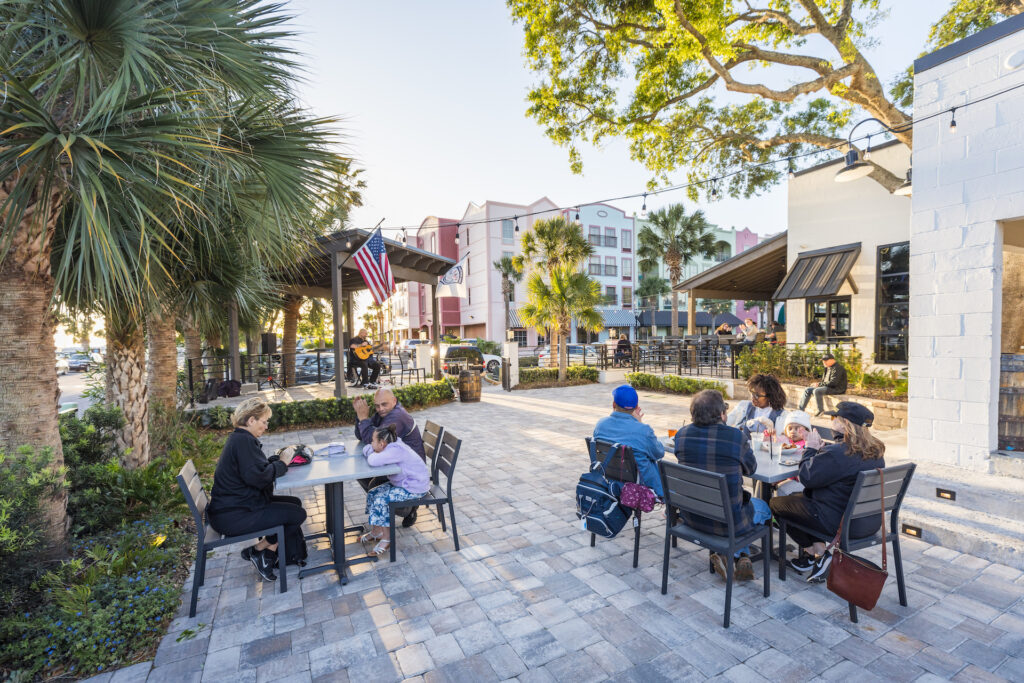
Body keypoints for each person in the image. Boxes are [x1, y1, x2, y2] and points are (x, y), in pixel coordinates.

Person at [770, 402, 885, 583]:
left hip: (839, 523)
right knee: (798, 501)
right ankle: (819, 556)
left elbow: (807, 477)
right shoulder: (876, 451)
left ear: (844, 424)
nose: (831, 422)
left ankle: (815, 553)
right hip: (867, 522)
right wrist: (822, 452)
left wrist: (810, 449)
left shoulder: (838, 453)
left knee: (777, 504)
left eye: (834, 419)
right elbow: (837, 472)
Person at [673, 390, 770, 581]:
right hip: (728, 523)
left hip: (692, 516)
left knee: (732, 505)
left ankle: (738, 556)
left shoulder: (681, 435)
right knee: (763, 507)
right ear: (721, 414)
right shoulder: (735, 437)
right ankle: (737, 554)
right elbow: (750, 470)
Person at [207, 397, 307, 582]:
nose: (266, 426)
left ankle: (263, 551)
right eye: (264, 421)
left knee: (295, 504)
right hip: (235, 515)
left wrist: (275, 461)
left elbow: (253, 470)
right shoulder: (243, 442)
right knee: (297, 514)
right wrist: (283, 463)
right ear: (251, 420)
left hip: (233, 509)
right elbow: (259, 478)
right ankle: (262, 553)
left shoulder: (239, 439)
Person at [353, 388, 426, 527]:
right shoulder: (385, 412)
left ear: (394, 401)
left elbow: (374, 441)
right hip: (397, 465)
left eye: (384, 404)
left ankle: (408, 509)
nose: (380, 409)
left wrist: (363, 419)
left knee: (374, 484)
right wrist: (360, 416)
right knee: (365, 477)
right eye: (377, 405)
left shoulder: (396, 417)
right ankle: (385, 517)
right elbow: (362, 436)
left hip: (410, 474)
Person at [360, 425, 431, 556]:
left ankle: (387, 539)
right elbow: (370, 451)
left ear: (382, 444)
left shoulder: (395, 450)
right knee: (373, 492)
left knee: (381, 499)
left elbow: (372, 459)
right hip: (405, 484)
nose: (371, 443)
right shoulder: (391, 446)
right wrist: (373, 449)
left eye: (373, 441)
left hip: (414, 487)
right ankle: (377, 532)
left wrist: (371, 451)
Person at [592, 385, 665, 498]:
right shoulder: (643, 430)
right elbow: (659, 453)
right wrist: (639, 424)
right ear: (636, 407)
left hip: (610, 478)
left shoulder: (601, 424)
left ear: (613, 405)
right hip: (640, 485)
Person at [726, 373, 790, 439]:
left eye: (757, 395)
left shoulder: (782, 415)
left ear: (770, 397)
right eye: (752, 393)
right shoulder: (744, 406)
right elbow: (726, 421)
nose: (753, 398)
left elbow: (780, 440)